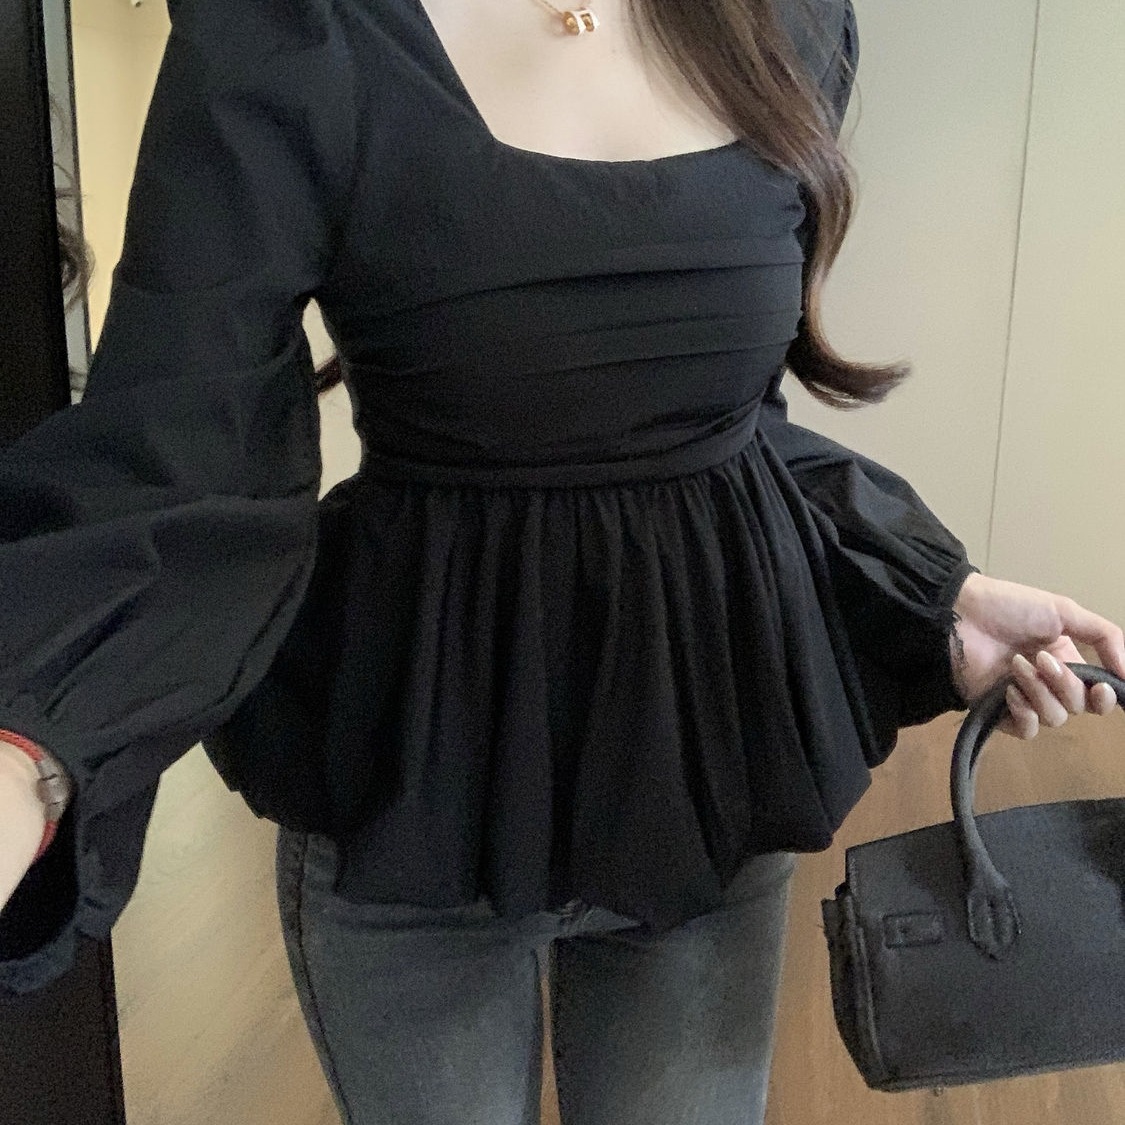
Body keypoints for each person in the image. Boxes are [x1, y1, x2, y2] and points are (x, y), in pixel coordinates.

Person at [1, 0, 1122, 1122]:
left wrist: (937, 595)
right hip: (417, 787)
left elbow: (721, 427)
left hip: (700, 775)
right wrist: (24, 753)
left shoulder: (787, 24)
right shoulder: (288, 32)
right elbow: (181, 452)